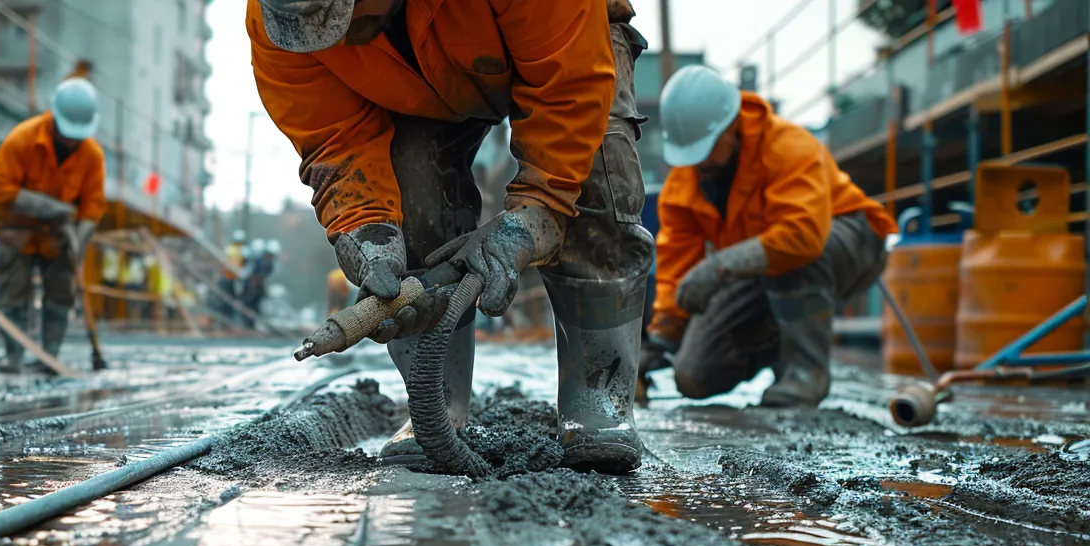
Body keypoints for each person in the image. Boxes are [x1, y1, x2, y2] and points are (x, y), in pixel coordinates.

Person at [251, 0, 653, 473]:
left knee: (595, 180)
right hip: (414, 87)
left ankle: (598, 403)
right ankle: (438, 407)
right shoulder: (280, 23)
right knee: (409, 195)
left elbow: (571, 91)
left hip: (566, 47)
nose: (338, 36)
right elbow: (335, 143)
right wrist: (368, 230)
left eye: (341, 18)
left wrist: (536, 214)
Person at [645, 66, 897, 406]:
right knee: (694, 374)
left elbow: (803, 236)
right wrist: (660, 340)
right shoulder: (682, 188)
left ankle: (805, 374)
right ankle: (783, 342)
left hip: (849, 241)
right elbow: (675, 268)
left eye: (707, 147)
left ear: (731, 126)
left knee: (791, 254)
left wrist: (718, 267)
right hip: (763, 267)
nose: (699, 161)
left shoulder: (786, 146)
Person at [0, 76, 107, 374]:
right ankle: (13, 357)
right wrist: (50, 208)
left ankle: (49, 356)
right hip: (15, 231)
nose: (72, 141)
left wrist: (80, 238)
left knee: (61, 292)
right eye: (67, 134)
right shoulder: (22, 140)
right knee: (13, 292)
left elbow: (92, 205)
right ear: (54, 117)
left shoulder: (92, 156)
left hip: (57, 237)